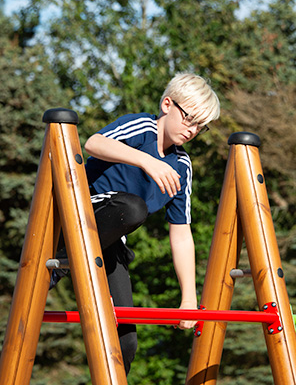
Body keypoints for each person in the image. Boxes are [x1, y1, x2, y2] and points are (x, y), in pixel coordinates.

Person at [51, 72, 220, 375]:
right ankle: (63, 259)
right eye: (189, 118)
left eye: (200, 125)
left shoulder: (182, 166)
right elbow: (93, 143)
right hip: (81, 215)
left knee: (125, 342)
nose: (192, 130)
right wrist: (146, 160)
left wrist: (189, 298)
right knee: (132, 207)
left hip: (110, 243)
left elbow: (181, 234)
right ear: (167, 104)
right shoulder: (141, 127)